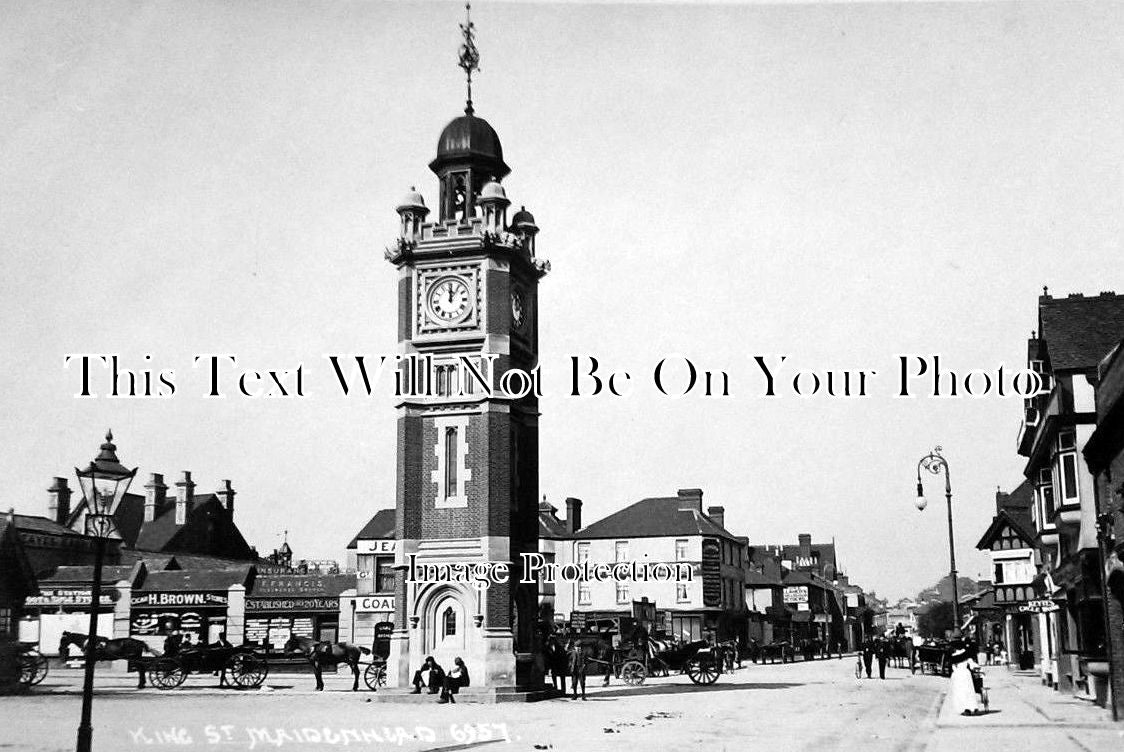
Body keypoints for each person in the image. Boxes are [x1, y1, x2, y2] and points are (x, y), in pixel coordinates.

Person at [949, 643, 981, 716]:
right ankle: (972, 707)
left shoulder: (953, 656)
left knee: (960, 692)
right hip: (966, 674)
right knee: (969, 691)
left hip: (958, 675)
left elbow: (953, 667)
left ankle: (964, 708)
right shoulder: (966, 654)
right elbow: (972, 665)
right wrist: (977, 667)